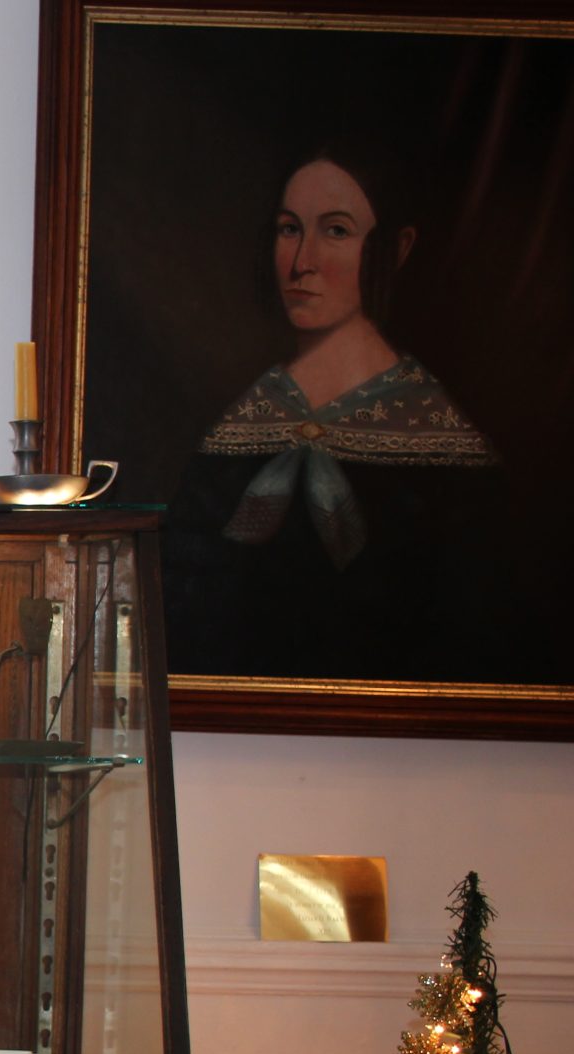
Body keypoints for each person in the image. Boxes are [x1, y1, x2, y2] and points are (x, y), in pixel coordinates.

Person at [162, 144, 503, 681]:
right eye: (289, 229)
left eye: (337, 231)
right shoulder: (240, 424)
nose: (302, 263)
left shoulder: (440, 441)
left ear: (395, 249)